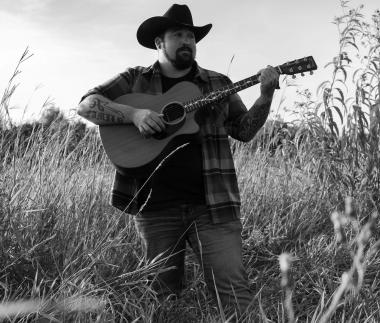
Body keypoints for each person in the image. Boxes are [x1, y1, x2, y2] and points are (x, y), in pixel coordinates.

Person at [77, 3, 279, 318]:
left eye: (191, 36)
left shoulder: (218, 83)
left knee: (235, 293)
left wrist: (265, 95)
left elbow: (244, 130)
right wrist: (135, 113)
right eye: (178, 35)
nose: (187, 41)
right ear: (159, 43)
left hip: (214, 206)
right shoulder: (134, 79)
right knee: (160, 300)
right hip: (155, 208)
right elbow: (87, 106)